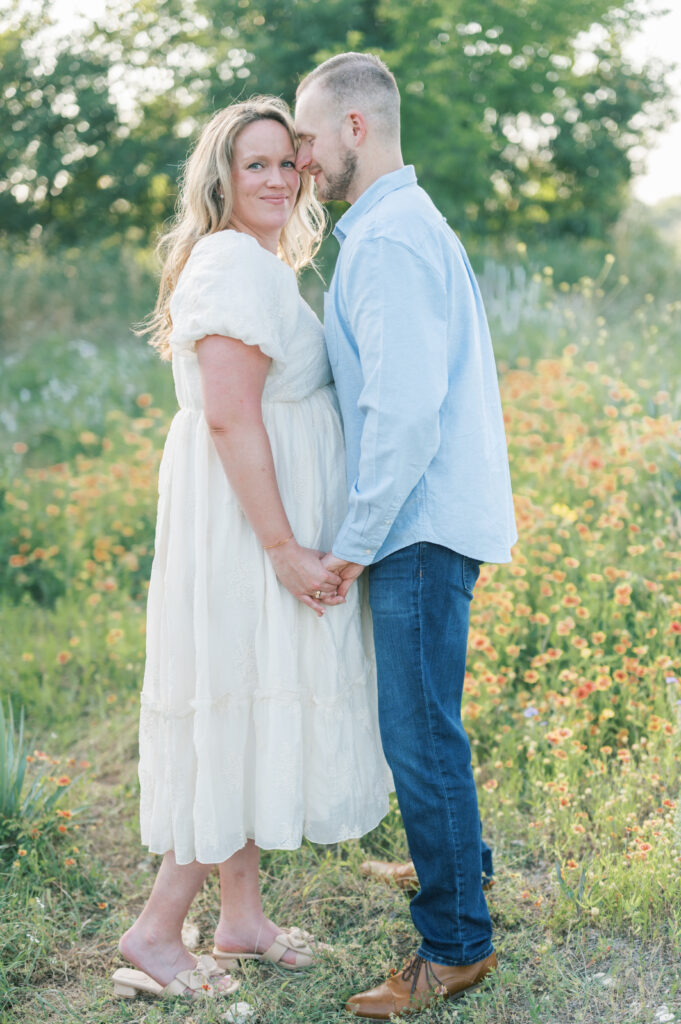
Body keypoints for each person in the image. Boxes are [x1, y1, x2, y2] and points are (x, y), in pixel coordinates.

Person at [112, 95, 390, 1001]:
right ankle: (156, 930)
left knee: (242, 702)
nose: (274, 179)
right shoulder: (233, 263)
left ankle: (239, 919)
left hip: (248, 518)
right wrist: (282, 548)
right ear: (221, 178)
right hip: (244, 528)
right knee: (229, 703)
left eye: (285, 162)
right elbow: (232, 417)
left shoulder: (258, 262)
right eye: (253, 165)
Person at [294, 54, 517, 1018]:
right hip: (426, 520)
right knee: (427, 723)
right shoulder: (397, 227)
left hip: (415, 524)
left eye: (305, 138)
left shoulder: (385, 240)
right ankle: (460, 869)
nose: (298, 159)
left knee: (418, 732)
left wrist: (351, 541)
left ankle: (456, 942)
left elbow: (402, 416)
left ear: (353, 128)